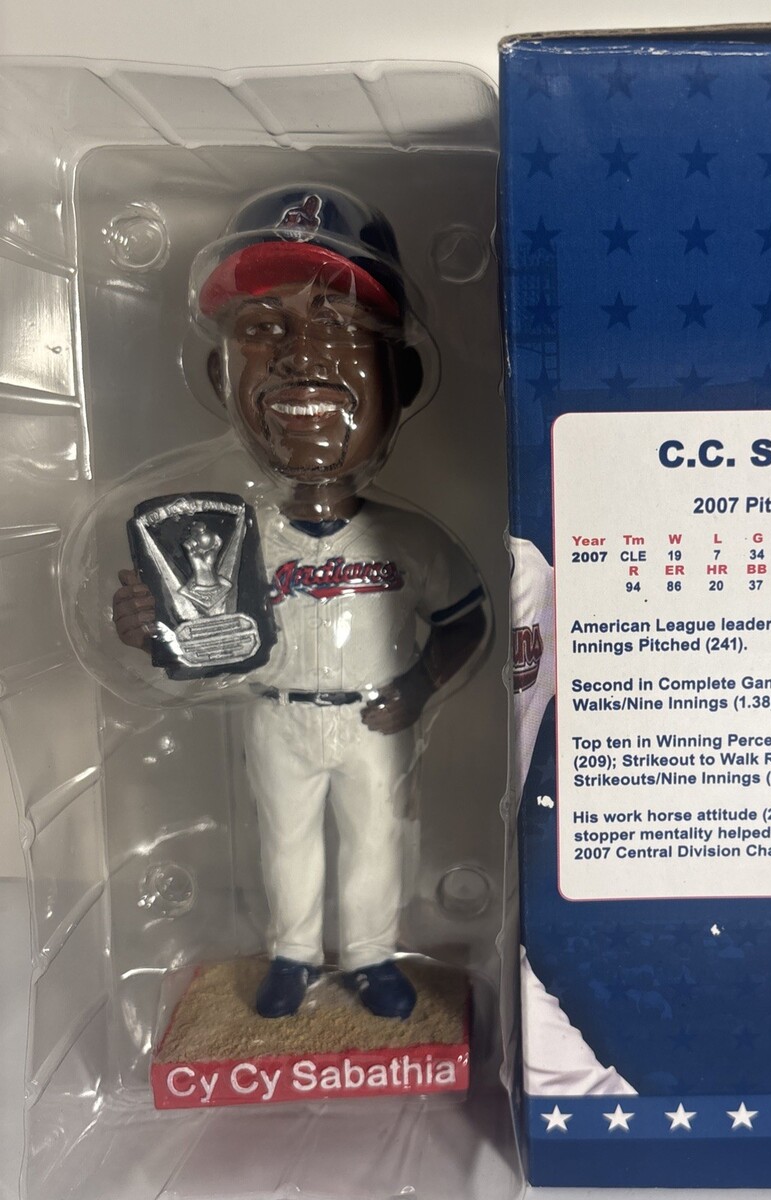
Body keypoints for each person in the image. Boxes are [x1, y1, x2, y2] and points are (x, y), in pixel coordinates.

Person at [113, 186, 487, 1019]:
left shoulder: (406, 538)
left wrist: (420, 684)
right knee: (284, 841)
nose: (300, 354)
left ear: (400, 377)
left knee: (376, 838)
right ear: (222, 375)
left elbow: (465, 618)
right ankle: (291, 955)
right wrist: (150, 631)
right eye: (260, 326)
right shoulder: (230, 532)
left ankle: (371, 957)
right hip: (276, 709)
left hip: (373, 714)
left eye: (341, 325)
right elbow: (197, 634)